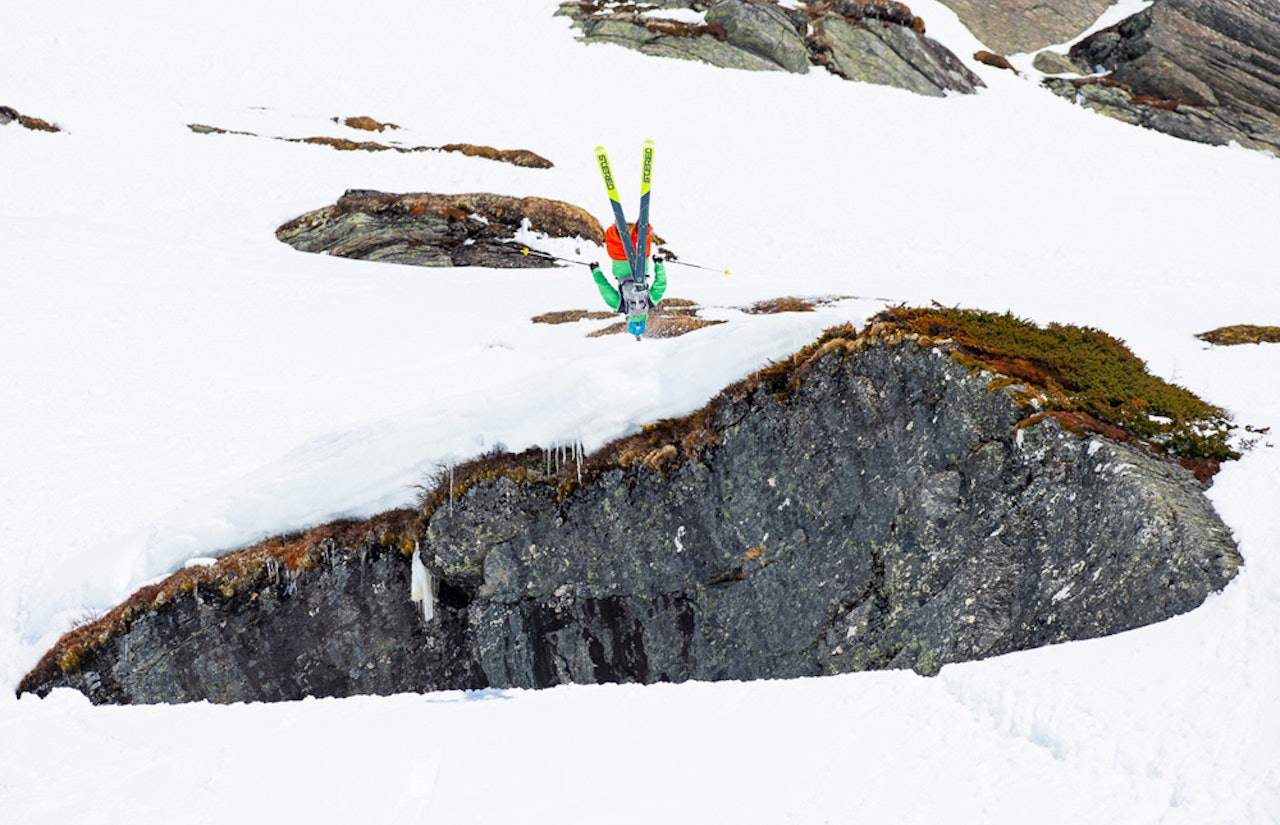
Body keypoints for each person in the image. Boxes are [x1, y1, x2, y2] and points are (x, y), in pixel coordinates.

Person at [588, 223, 667, 337]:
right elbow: (604, 288)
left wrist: (658, 264)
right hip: (621, 262)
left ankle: (642, 228)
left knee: (641, 239)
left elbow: (661, 284)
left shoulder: (650, 302)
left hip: (641, 262)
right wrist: (596, 271)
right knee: (612, 236)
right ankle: (616, 226)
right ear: (629, 321)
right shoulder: (620, 306)